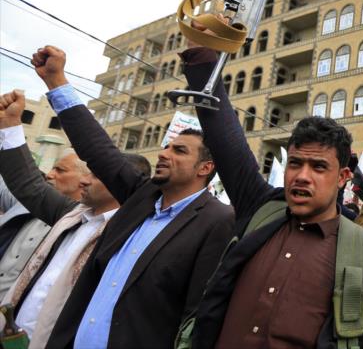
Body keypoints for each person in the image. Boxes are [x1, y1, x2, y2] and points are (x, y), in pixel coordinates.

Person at [176, 15, 363, 348]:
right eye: (295, 163)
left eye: (318, 167)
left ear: (342, 177)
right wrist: (201, 55)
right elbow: (224, 135)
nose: (302, 175)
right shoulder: (261, 210)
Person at [26, 45, 235, 349]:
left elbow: (196, 317)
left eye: (179, 151)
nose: (163, 154)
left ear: (206, 167)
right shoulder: (141, 197)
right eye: (166, 147)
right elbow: (97, 147)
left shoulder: (217, 221)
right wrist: (56, 81)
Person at [0, 92, 130, 348]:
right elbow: (27, 184)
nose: (84, 181)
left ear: (122, 182)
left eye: (95, 175)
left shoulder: (126, 236)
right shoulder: (71, 215)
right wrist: (10, 124)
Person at [0, 148, 85, 299]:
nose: (50, 175)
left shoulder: (82, 229)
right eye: (53, 168)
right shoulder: (25, 203)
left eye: (60, 170)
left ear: (85, 179)